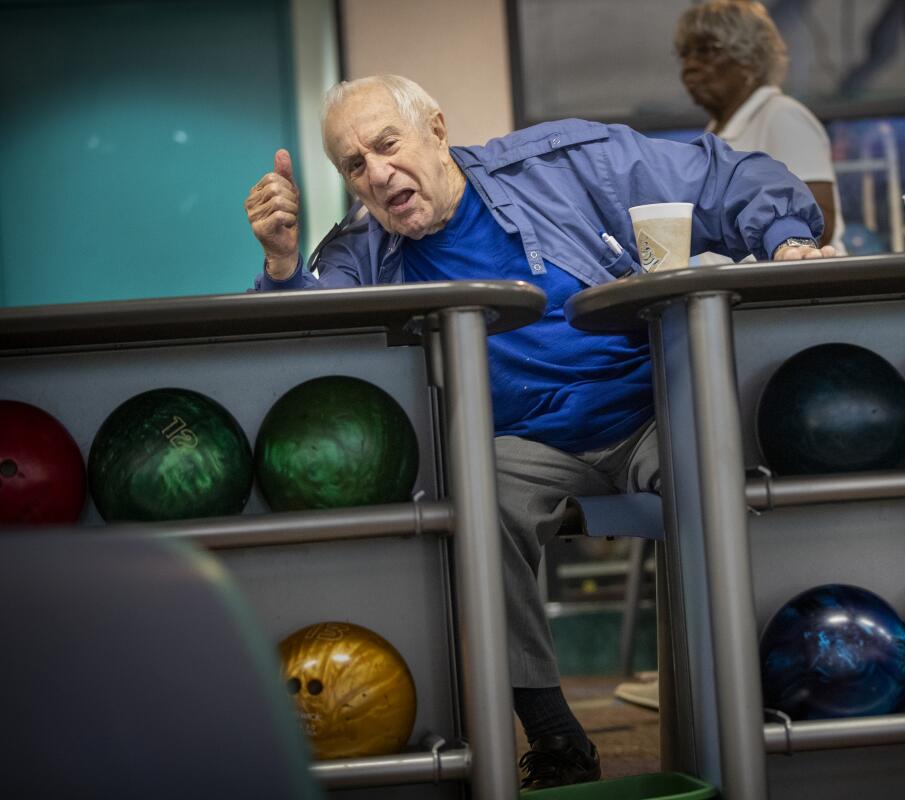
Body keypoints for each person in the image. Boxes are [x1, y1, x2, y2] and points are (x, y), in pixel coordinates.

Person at [244, 74, 837, 789]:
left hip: (654, 410)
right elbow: (317, 345)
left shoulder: (563, 164)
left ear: (435, 128)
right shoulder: (360, 252)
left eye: (386, 145)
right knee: (474, 498)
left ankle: (753, 709)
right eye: (354, 165)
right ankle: (554, 733)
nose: (376, 173)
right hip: (526, 447)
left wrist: (784, 240)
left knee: (726, 479)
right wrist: (281, 267)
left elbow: (727, 176)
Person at [676, 0, 844, 254]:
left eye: (706, 50)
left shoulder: (782, 117)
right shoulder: (715, 131)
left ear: (750, 59)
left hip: (790, 286)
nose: (689, 64)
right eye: (684, 53)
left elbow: (820, 223)